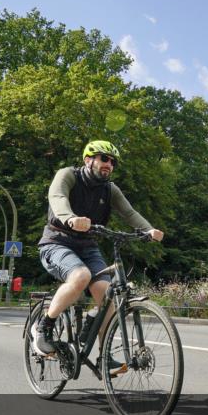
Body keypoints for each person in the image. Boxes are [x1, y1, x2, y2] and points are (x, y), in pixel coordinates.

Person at [30, 140, 163, 357]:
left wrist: (149, 230)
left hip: (87, 246)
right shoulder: (68, 175)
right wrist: (70, 218)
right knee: (81, 275)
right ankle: (43, 327)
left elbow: (129, 213)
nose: (109, 164)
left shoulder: (109, 189)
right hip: (56, 242)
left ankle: (104, 357)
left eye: (112, 162)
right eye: (104, 158)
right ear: (88, 159)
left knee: (108, 295)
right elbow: (57, 196)